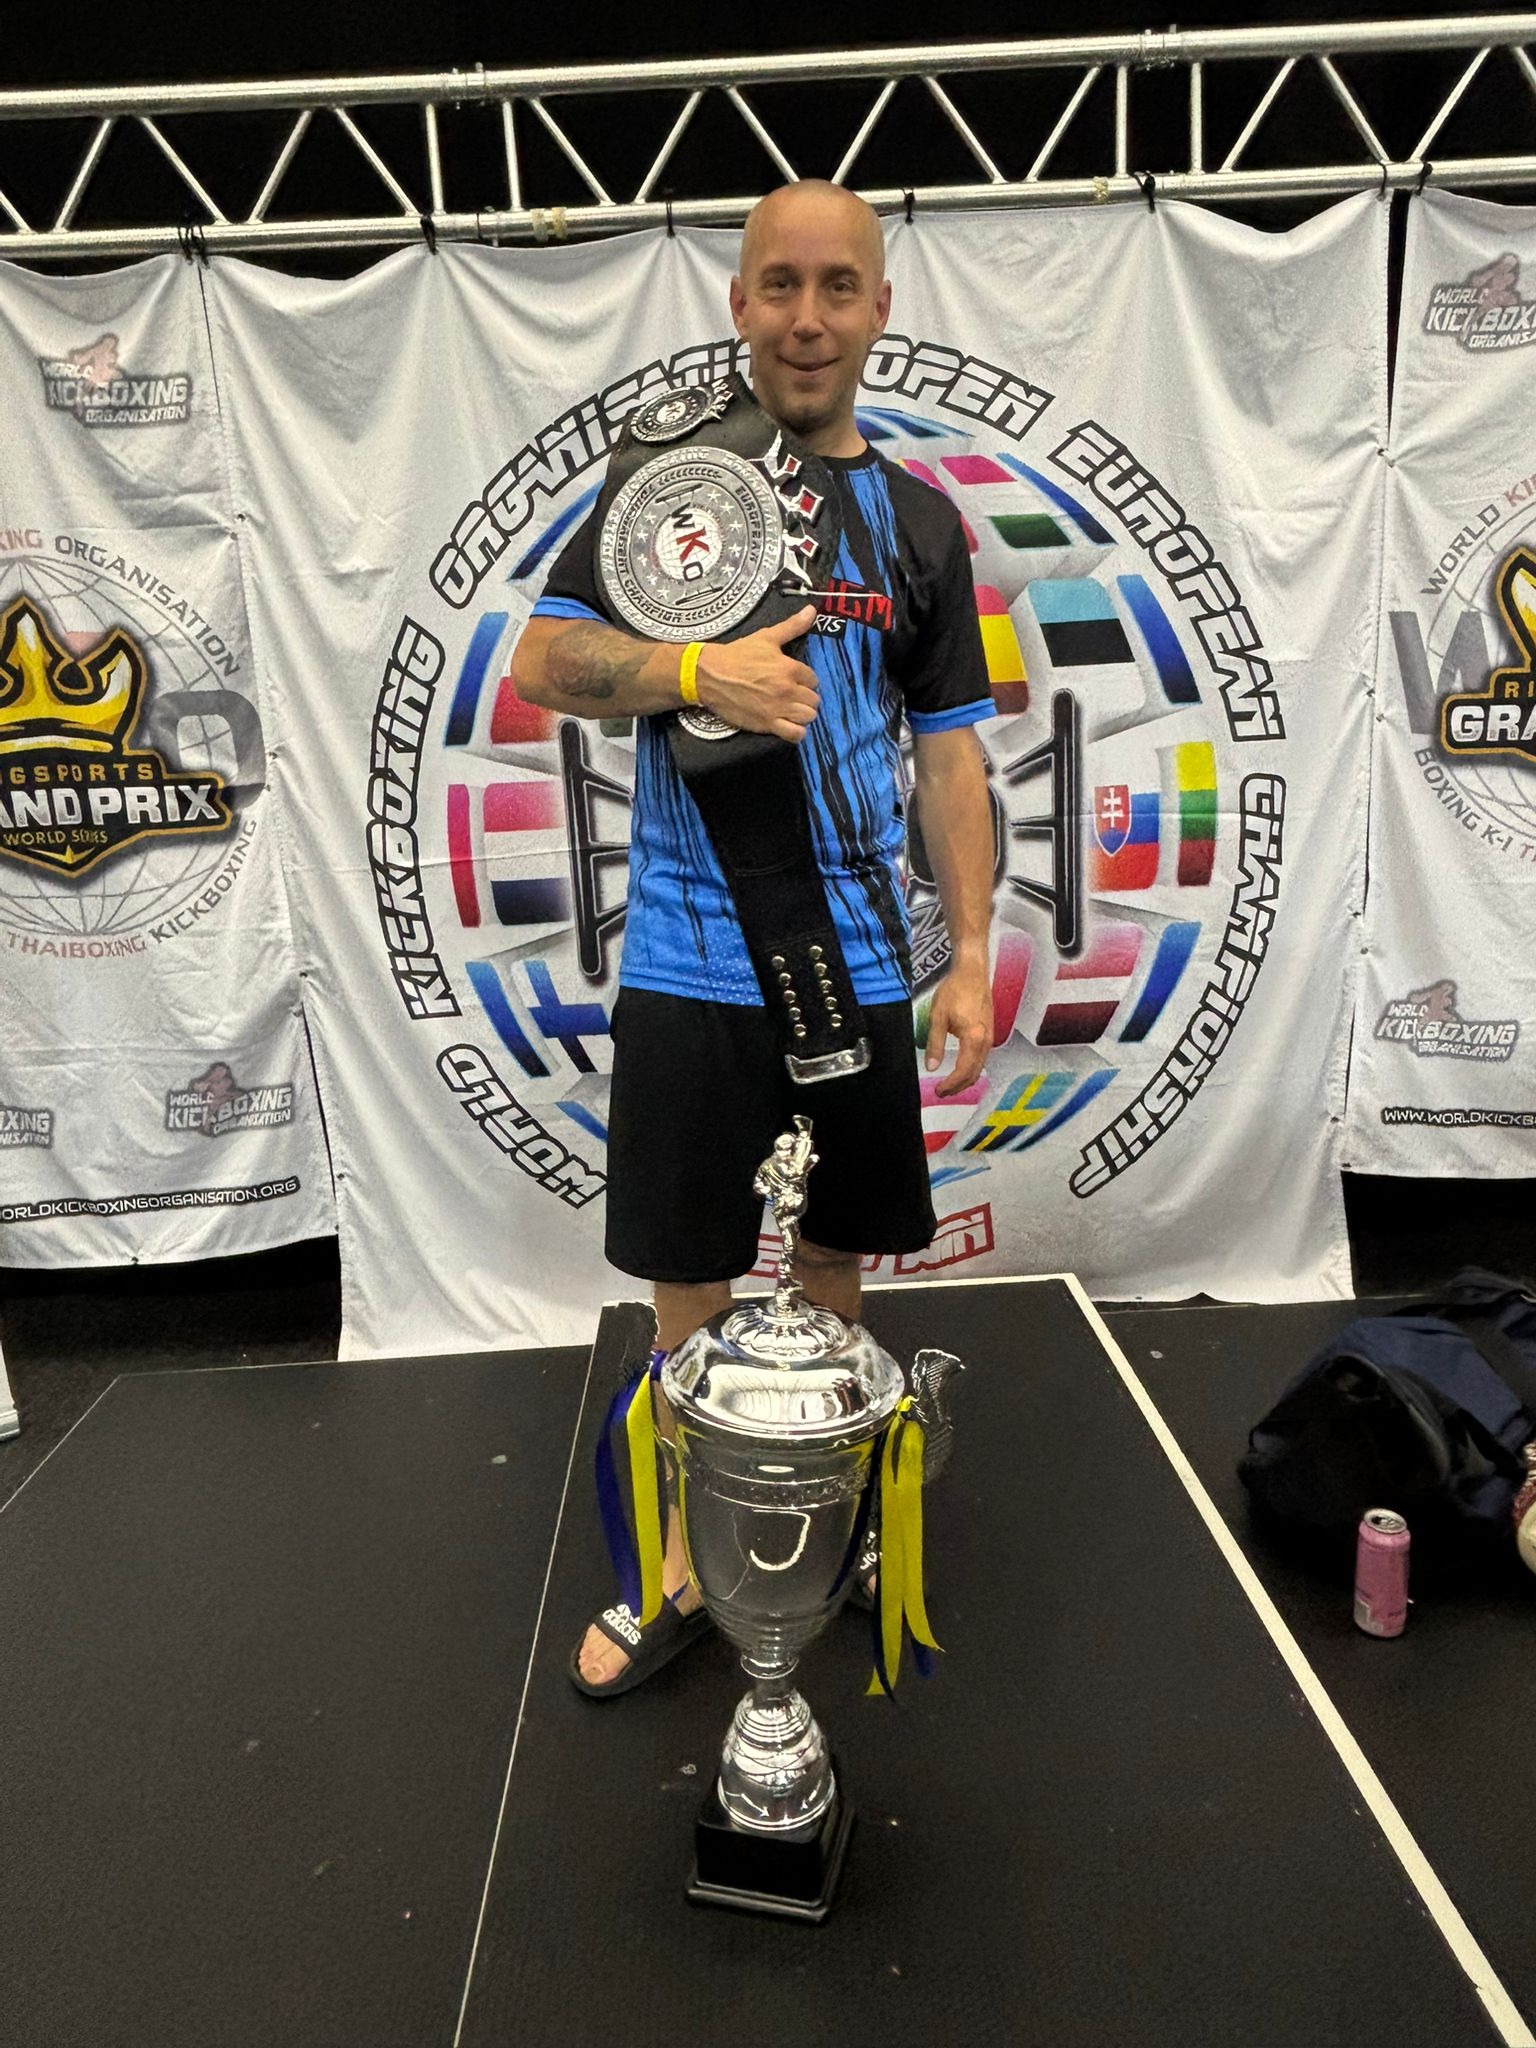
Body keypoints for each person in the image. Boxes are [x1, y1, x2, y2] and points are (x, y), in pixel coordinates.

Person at [512, 179, 997, 1693]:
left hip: (853, 962)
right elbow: (542, 661)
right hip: (685, 954)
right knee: (690, 1282)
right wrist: (693, 673)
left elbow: (953, 760)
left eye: (838, 286)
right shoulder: (677, 488)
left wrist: (972, 956)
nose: (806, 316)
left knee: (835, 1262)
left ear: (880, 309)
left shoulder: (922, 526)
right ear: (737, 302)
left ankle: (821, 1524)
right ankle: (679, 1561)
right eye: (779, 284)